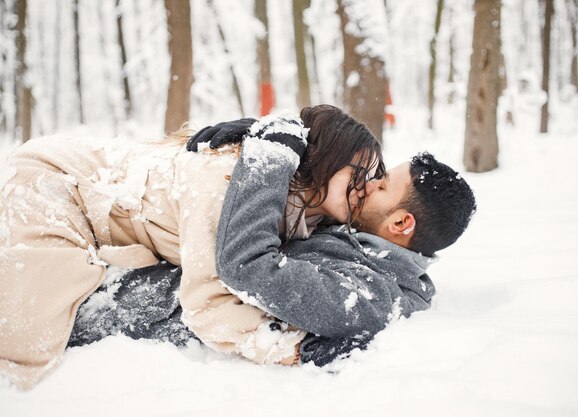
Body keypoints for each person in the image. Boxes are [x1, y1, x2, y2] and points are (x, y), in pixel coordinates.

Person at [0, 105, 383, 389]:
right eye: (358, 174)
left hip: (104, 205)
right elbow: (208, 306)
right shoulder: (225, 180)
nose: (367, 188)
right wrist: (294, 348)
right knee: (31, 330)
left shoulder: (314, 208)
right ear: (321, 162)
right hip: (52, 182)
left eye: (375, 176)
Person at [70, 122, 476, 367]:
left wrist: (269, 157)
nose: (369, 184)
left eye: (383, 185)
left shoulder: (372, 294)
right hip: (149, 255)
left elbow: (249, 268)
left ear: (402, 222)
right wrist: (266, 136)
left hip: (129, 311)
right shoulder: (364, 241)